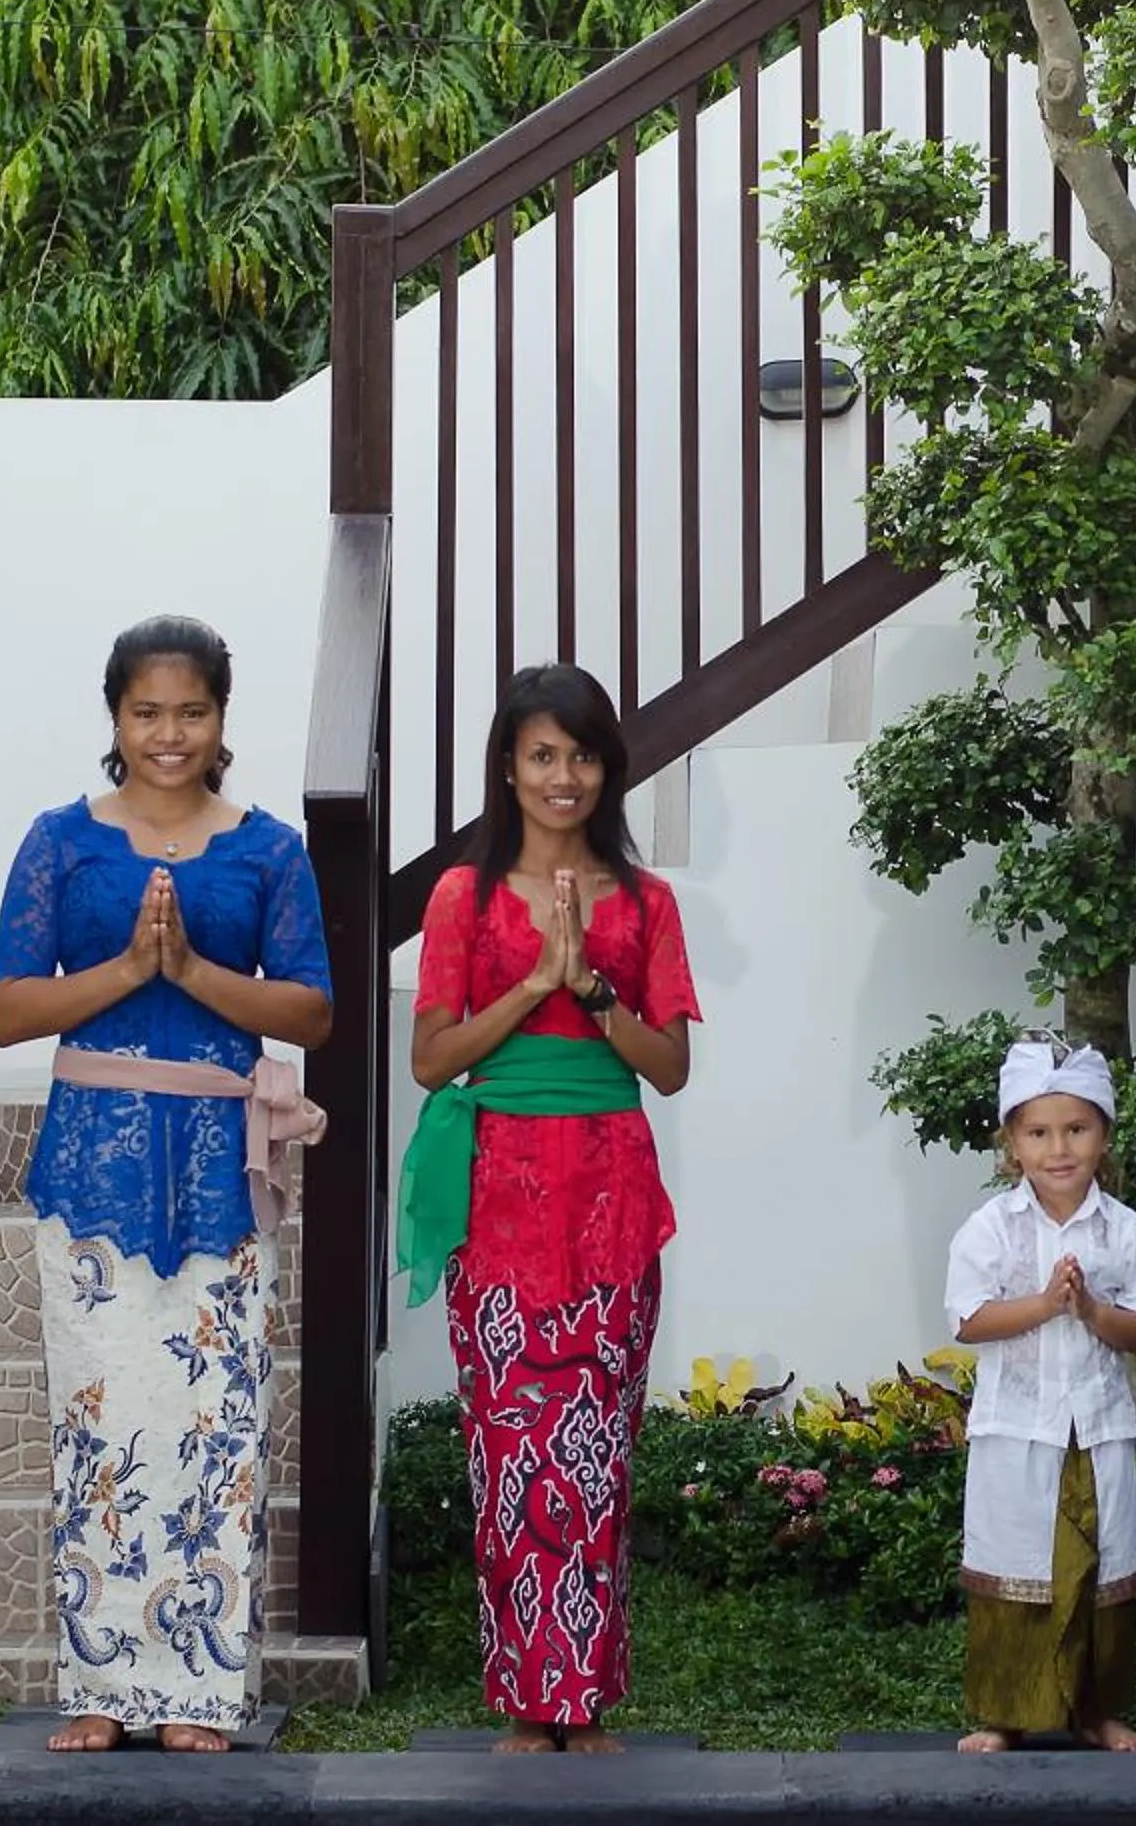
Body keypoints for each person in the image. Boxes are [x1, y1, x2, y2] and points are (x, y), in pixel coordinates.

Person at [0, 615, 333, 1754]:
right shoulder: (59, 842)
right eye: (147, 712)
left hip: (223, 1176)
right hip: (93, 1164)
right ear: (115, 718)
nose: (168, 733)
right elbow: (7, 1010)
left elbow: (311, 1008)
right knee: (97, 1419)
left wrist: (191, 971)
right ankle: (99, 1683)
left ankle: (199, 1692)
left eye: (191, 711)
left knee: (216, 1427)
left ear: (223, 719)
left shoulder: (268, 849)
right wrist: (131, 968)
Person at [400, 663, 698, 1753]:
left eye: (580, 754)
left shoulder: (648, 901)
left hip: (612, 1191)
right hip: (501, 1197)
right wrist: (534, 984)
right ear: (509, 768)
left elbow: (667, 1066)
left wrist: (597, 989)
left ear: (606, 766)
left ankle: (587, 1700)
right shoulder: (462, 900)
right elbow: (431, 1058)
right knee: (511, 1452)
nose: (562, 775)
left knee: (597, 1452)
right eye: (540, 755)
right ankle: (529, 1706)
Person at [944, 1037, 1136, 1755]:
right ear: (1012, 1143)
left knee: (1100, 1573)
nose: (1059, 1148)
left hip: (1096, 1431)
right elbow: (969, 1318)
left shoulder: (1125, 1231)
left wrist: (1094, 1313)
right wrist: (1044, 1304)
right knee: (1015, 1571)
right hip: (1019, 1431)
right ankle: (1004, 1716)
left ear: (1103, 1136)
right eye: (1038, 1132)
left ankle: (1097, 1713)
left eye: (1077, 1129)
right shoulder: (991, 1228)